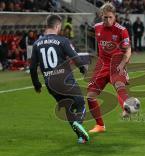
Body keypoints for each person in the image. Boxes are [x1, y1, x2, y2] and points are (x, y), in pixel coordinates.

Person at [30, 14, 89, 144]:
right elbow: (74, 57)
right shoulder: (62, 40)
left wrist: (37, 85)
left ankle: (81, 137)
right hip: (64, 80)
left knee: (68, 108)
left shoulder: (36, 44)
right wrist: (83, 69)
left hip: (50, 83)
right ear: (57, 26)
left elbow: (33, 67)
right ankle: (78, 123)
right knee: (80, 103)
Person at [87, 2, 133, 133]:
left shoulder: (121, 30)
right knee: (90, 96)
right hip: (101, 66)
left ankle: (127, 107)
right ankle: (100, 125)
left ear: (115, 17)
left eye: (110, 17)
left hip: (116, 64)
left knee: (119, 86)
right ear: (101, 16)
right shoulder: (97, 27)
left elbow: (128, 50)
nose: (107, 20)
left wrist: (123, 66)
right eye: (104, 17)